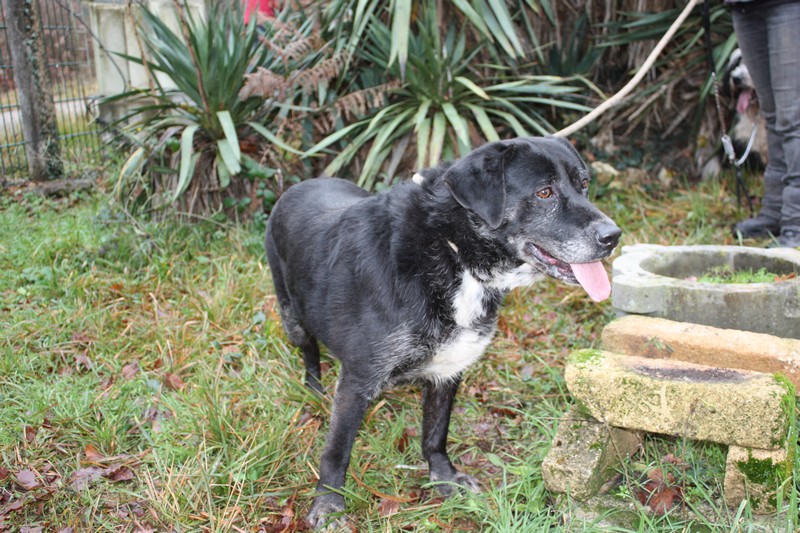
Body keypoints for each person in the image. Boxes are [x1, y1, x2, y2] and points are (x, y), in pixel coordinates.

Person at [727, 0, 800, 248]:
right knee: (773, 115)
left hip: (787, 6)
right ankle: (774, 213)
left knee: (793, 119)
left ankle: (795, 223)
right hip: (743, 7)